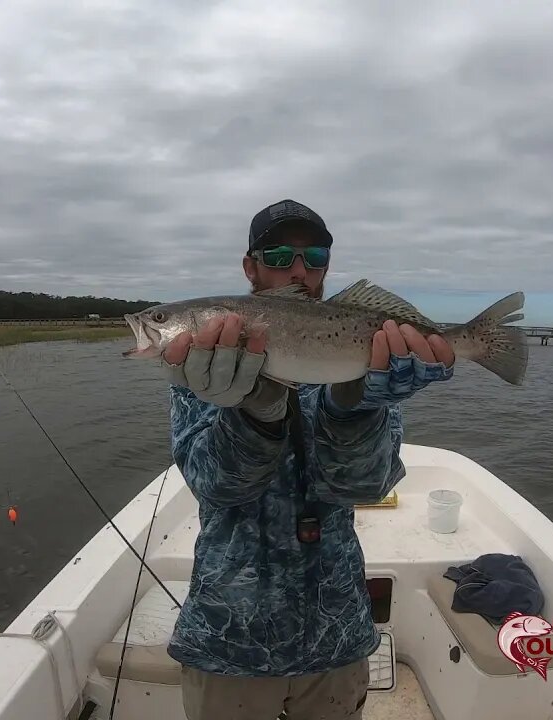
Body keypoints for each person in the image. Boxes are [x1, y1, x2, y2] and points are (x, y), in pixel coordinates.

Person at [162, 199, 455, 719]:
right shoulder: (203, 362)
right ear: (249, 266)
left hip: (335, 632)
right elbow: (217, 488)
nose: (299, 269)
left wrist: (353, 408)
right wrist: (253, 410)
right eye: (277, 256)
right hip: (228, 638)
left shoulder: (366, 351)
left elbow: (364, 487)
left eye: (314, 256)